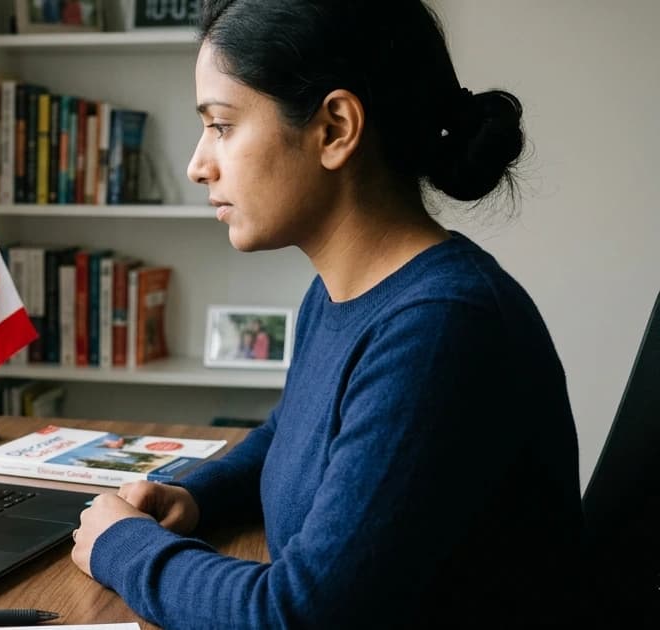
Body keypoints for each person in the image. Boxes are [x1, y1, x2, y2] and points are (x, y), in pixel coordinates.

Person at [69, 1, 584, 628]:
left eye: (222, 125)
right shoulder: (345, 294)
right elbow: (291, 437)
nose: (198, 165)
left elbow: (301, 614)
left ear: (336, 128)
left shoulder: (442, 328)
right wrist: (195, 497)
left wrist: (124, 547)